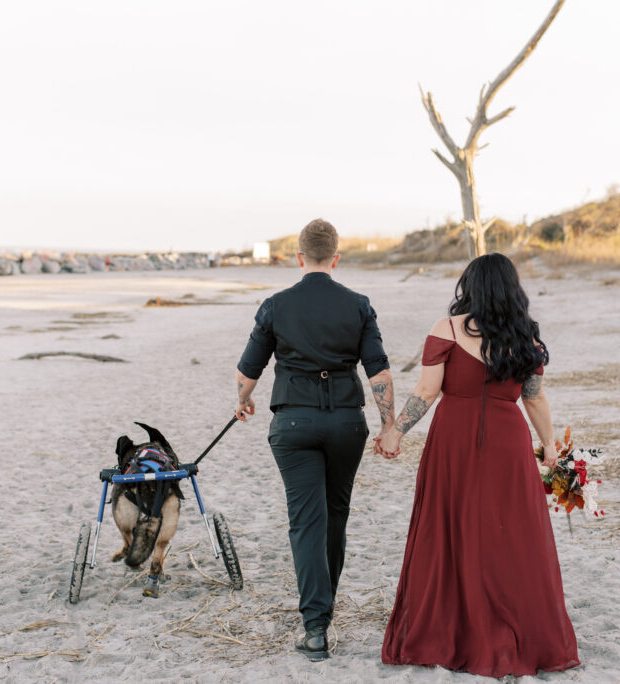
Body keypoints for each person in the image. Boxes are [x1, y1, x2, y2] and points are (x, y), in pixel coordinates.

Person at [377, 253, 580, 678]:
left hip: (453, 443)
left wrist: (395, 431)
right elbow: (534, 397)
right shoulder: (528, 339)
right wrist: (548, 446)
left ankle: (452, 633)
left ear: (469, 286)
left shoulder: (447, 329)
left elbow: (427, 390)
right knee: (512, 536)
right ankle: (514, 631)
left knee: (449, 530)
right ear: (512, 288)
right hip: (508, 443)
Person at [235, 219, 395, 661]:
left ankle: (315, 627)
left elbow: (248, 371)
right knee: (335, 515)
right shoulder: (358, 304)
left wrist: (243, 401)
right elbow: (378, 371)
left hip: (293, 426)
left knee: (307, 520)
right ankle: (323, 614)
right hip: (347, 424)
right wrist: (389, 426)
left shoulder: (275, 305)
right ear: (335, 259)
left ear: (299, 257)